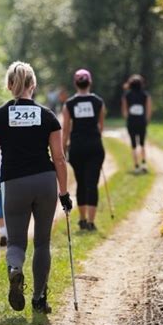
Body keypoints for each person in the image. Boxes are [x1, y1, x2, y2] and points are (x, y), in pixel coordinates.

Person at [0, 61, 71, 314]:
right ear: (33, 85)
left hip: (14, 183)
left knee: (16, 242)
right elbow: (59, 158)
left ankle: (15, 269)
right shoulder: (47, 115)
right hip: (45, 181)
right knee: (42, 242)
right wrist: (64, 192)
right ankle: (38, 298)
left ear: (10, 85)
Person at [62, 68, 105, 232]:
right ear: (90, 82)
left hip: (77, 148)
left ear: (75, 83)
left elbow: (65, 130)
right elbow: (101, 127)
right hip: (94, 147)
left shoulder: (69, 104)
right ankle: (92, 222)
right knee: (92, 184)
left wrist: (63, 149)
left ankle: (82, 219)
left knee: (81, 183)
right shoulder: (98, 102)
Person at [121, 74, 152, 174]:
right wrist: (146, 120)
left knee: (133, 144)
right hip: (142, 122)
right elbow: (148, 109)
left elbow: (125, 111)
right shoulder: (145, 95)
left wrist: (128, 119)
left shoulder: (126, 95)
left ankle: (136, 166)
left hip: (131, 122)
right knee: (142, 143)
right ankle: (144, 163)